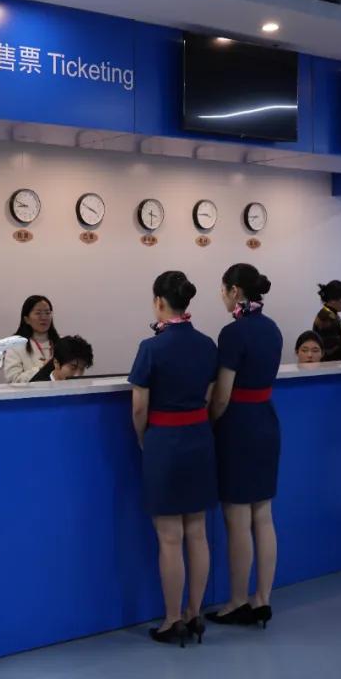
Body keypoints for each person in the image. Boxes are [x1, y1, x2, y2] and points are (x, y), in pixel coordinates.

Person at [129, 271, 218, 647]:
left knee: (169, 537)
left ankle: (171, 620)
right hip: (200, 439)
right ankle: (195, 614)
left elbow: (139, 408)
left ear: (159, 302)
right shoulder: (207, 344)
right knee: (197, 532)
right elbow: (210, 396)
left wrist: (143, 438)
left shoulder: (151, 348)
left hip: (164, 441)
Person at [208, 263, 283, 630]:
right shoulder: (272, 329)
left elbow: (222, 395)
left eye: (223, 289)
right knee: (263, 515)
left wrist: (208, 423)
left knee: (237, 518)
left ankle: (237, 600)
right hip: (266, 422)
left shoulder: (232, 333)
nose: (221, 296)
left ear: (235, 291)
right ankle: (262, 598)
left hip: (238, 426)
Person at [5, 295, 60, 383]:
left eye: (47, 313)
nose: (44, 317)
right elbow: (13, 379)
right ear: (26, 319)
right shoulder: (15, 345)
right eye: (38, 313)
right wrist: (41, 370)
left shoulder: (62, 342)